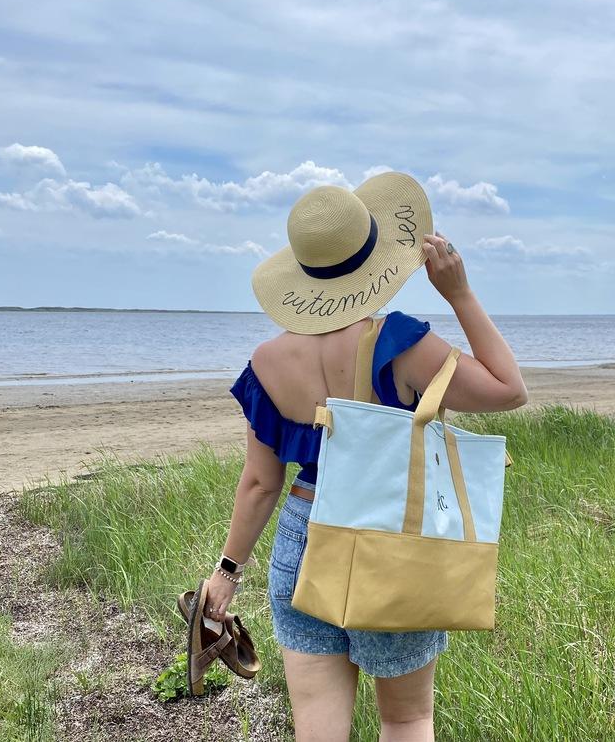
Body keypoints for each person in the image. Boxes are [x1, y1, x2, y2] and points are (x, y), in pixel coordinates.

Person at [204, 172, 528, 742]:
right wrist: (460, 293)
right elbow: (508, 388)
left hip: (302, 538)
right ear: (373, 260)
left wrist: (226, 573)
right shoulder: (399, 342)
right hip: (389, 537)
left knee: (318, 728)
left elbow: (260, 484)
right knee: (405, 719)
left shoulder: (266, 361)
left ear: (303, 275)